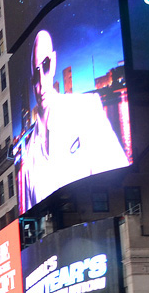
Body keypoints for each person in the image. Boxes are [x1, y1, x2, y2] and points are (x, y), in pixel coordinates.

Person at [15, 30, 128, 211]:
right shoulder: (28, 158)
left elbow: (119, 178)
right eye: (36, 74)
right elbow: (30, 220)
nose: (42, 82)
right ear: (31, 80)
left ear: (53, 62)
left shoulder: (86, 108)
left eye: (45, 65)